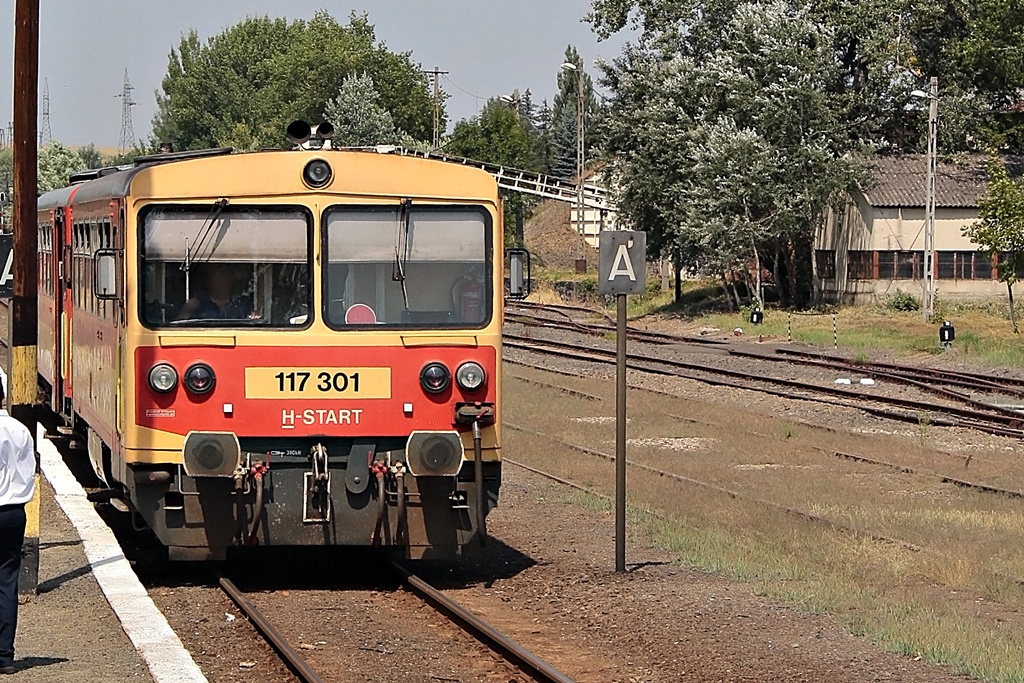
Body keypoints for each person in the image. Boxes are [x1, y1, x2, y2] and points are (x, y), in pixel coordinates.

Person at [0, 380, 35, 675]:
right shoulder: (20, 429)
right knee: (7, 581)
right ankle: (5, 656)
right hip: (14, 512)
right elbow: (28, 470)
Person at [176, 263, 258, 321]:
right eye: (215, 276)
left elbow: (255, 322)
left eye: (223, 276)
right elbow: (178, 327)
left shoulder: (242, 304)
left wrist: (256, 317)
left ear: (231, 279)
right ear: (208, 280)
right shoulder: (196, 305)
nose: (219, 280)